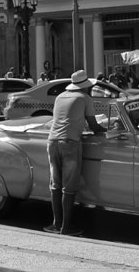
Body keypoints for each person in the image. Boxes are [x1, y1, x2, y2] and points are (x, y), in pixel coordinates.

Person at [46, 70, 105, 236]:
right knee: (69, 188)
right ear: (85, 87)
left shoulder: (60, 97)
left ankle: (56, 224)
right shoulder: (85, 98)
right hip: (70, 143)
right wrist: (108, 128)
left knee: (55, 185)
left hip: (52, 142)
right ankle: (66, 227)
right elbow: (94, 126)